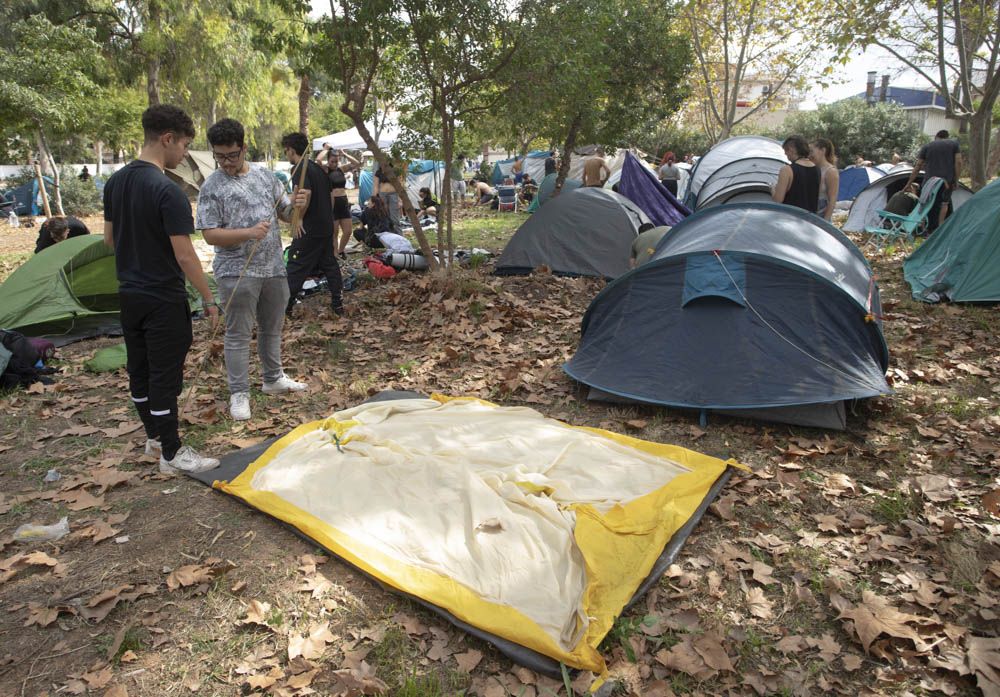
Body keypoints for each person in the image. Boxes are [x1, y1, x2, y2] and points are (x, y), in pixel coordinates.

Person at [102, 104, 219, 475]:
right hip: (163, 297)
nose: (184, 154)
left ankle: (154, 436)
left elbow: (109, 241)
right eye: (184, 145)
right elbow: (185, 256)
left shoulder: (115, 183)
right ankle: (172, 453)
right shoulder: (167, 191)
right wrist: (209, 297)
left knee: (140, 369)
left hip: (130, 293)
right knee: (166, 377)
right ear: (167, 139)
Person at [196, 118, 309, 422]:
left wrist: (301, 204)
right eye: (219, 156)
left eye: (232, 155)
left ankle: (273, 378)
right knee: (238, 334)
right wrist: (247, 233)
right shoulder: (212, 186)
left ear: (244, 148)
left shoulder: (265, 176)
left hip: (273, 266)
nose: (226, 163)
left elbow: (287, 215)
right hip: (236, 271)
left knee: (272, 327)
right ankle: (239, 393)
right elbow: (209, 234)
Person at [282, 132, 345, 317]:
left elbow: (305, 195)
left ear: (291, 150)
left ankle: (285, 308)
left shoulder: (300, 169)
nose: (286, 155)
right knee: (329, 264)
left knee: (296, 265)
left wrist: (299, 217)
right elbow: (330, 197)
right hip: (325, 225)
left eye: (286, 151)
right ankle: (337, 303)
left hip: (310, 227)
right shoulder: (317, 169)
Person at [906, 129, 961, 235]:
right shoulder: (954, 145)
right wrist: (956, 180)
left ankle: (923, 228)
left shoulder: (927, 146)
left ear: (936, 137)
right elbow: (958, 162)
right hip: (947, 181)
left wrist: (909, 183)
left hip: (929, 182)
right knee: (944, 203)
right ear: (947, 136)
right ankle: (939, 228)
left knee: (925, 203)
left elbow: (918, 165)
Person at [773, 135, 820, 214]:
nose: (787, 156)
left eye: (786, 153)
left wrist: (772, 190)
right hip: (811, 220)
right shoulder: (817, 169)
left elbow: (777, 200)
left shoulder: (787, 170)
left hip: (791, 218)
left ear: (791, 150)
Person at [327, 148, 361, 257]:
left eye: (336, 161)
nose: (334, 164)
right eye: (332, 161)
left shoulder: (340, 170)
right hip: (333, 203)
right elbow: (317, 161)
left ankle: (341, 251)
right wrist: (325, 150)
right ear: (328, 160)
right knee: (334, 233)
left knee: (348, 231)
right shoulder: (325, 170)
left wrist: (345, 154)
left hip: (343, 201)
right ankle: (335, 253)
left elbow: (357, 163)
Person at [810, 138, 839, 221]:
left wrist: (825, 222)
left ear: (822, 150)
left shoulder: (831, 171)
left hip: (821, 218)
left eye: (812, 151)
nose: (809, 155)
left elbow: (832, 199)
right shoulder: (813, 168)